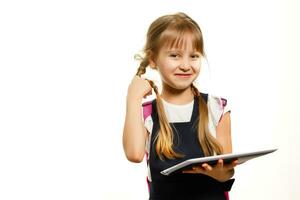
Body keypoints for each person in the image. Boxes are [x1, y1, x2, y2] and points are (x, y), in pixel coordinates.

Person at [123, 12, 237, 200]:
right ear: (153, 59)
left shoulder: (217, 109)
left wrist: (218, 173)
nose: (186, 65)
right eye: (175, 56)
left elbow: (227, 170)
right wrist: (132, 97)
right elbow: (134, 154)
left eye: (194, 56)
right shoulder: (147, 113)